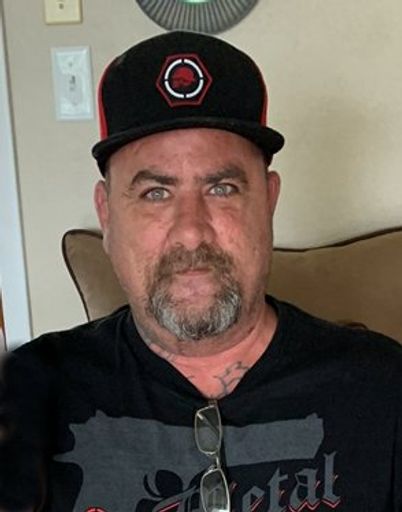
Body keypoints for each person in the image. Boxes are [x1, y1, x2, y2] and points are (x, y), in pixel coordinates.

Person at [1, 31, 401, 512]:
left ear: (268, 201)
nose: (191, 232)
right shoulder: (30, 395)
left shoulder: (384, 389)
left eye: (222, 189)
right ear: (106, 216)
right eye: (155, 193)